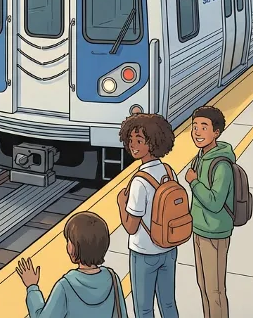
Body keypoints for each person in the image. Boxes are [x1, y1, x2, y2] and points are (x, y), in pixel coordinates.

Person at [117, 113, 179, 317]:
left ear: (153, 143)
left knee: (144, 309)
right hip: (169, 248)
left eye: (139, 141)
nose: (133, 145)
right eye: (130, 140)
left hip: (144, 252)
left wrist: (121, 204)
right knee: (168, 304)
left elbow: (131, 227)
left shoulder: (139, 182)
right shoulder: (169, 172)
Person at [17, 211, 127, 318]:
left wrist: (32, 287)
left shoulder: (65, 286)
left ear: (75, 247)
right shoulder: (112, 277)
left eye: (69, 241)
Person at [183, 106, 234, 318]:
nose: (197, 132)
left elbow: (214, 202)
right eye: (195, 127)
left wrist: (194, 182)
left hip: (215, 232)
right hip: (200, 229)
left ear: (216, 132)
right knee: (204, 287)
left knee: (215, 291)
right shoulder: (201, 157)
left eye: (204, 127)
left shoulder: (221, 164)